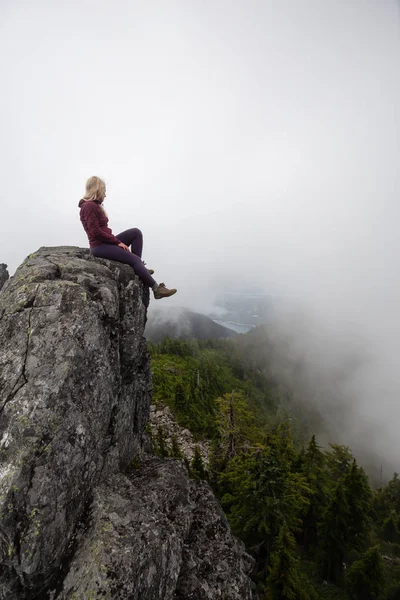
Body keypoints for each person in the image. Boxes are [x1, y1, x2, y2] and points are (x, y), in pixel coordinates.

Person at [79, 176, 177, 299]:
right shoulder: (89, 206)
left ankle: (139, 267)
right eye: (104, 190)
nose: (105, 194)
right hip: (99, 246)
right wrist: (116, 242)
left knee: (135, 233)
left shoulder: (94, 205)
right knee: (134, 260)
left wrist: (115, 241)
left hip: (105, 242)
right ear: (97, 189)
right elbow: (95, 232)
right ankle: (156, 289)